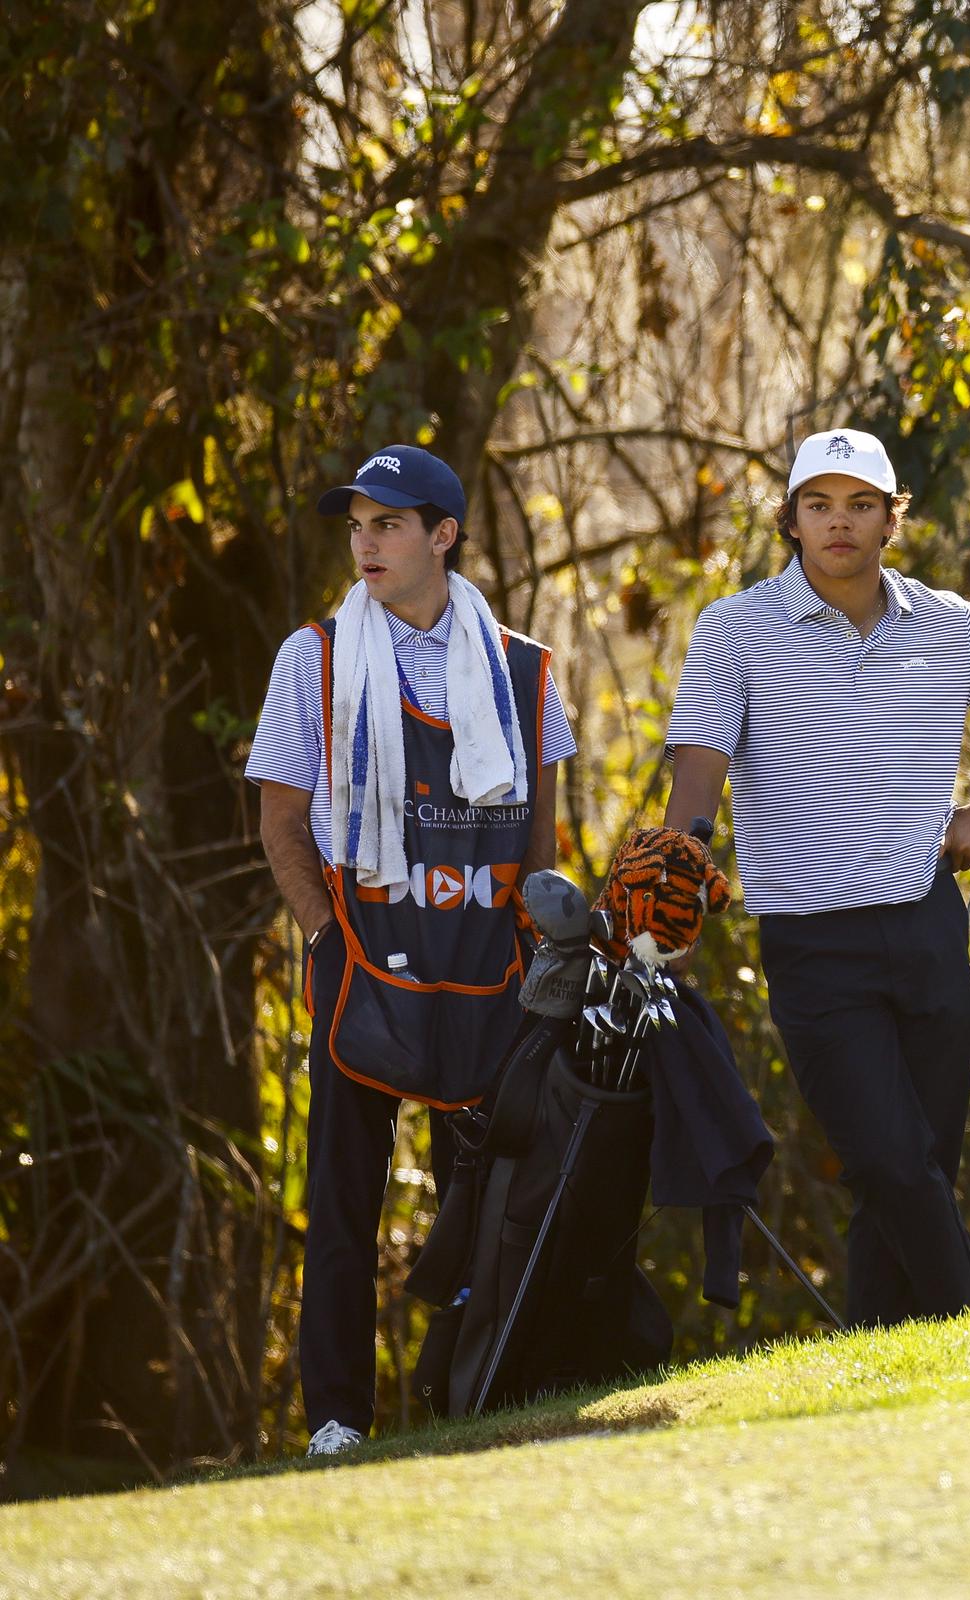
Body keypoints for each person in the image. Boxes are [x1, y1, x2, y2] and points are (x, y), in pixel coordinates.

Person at [662, 426, 970, 1327]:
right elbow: (699, 762)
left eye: (861, 504)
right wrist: (681, 856)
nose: (839, 524)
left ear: (891, 519)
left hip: (925, 924)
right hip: (814, 941)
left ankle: (883, 1352)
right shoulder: (736, 629)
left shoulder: (943, 624)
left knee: (912, 1171)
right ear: (790, 520)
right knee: (890, 1161)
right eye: (818, 505)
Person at [248, 445, 574, 1455]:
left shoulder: (524, 668)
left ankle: (468, 1401)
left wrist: (536, 945)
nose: (365, 542)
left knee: (483, 1205)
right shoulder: (318, 655)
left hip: (486, 964)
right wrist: (322, 934)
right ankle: (338, 1419)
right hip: (364, 961)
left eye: (388, 523)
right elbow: (280, 821)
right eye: (356, 524)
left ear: (444, 533)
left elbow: (539, 836)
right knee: (345, 1203)